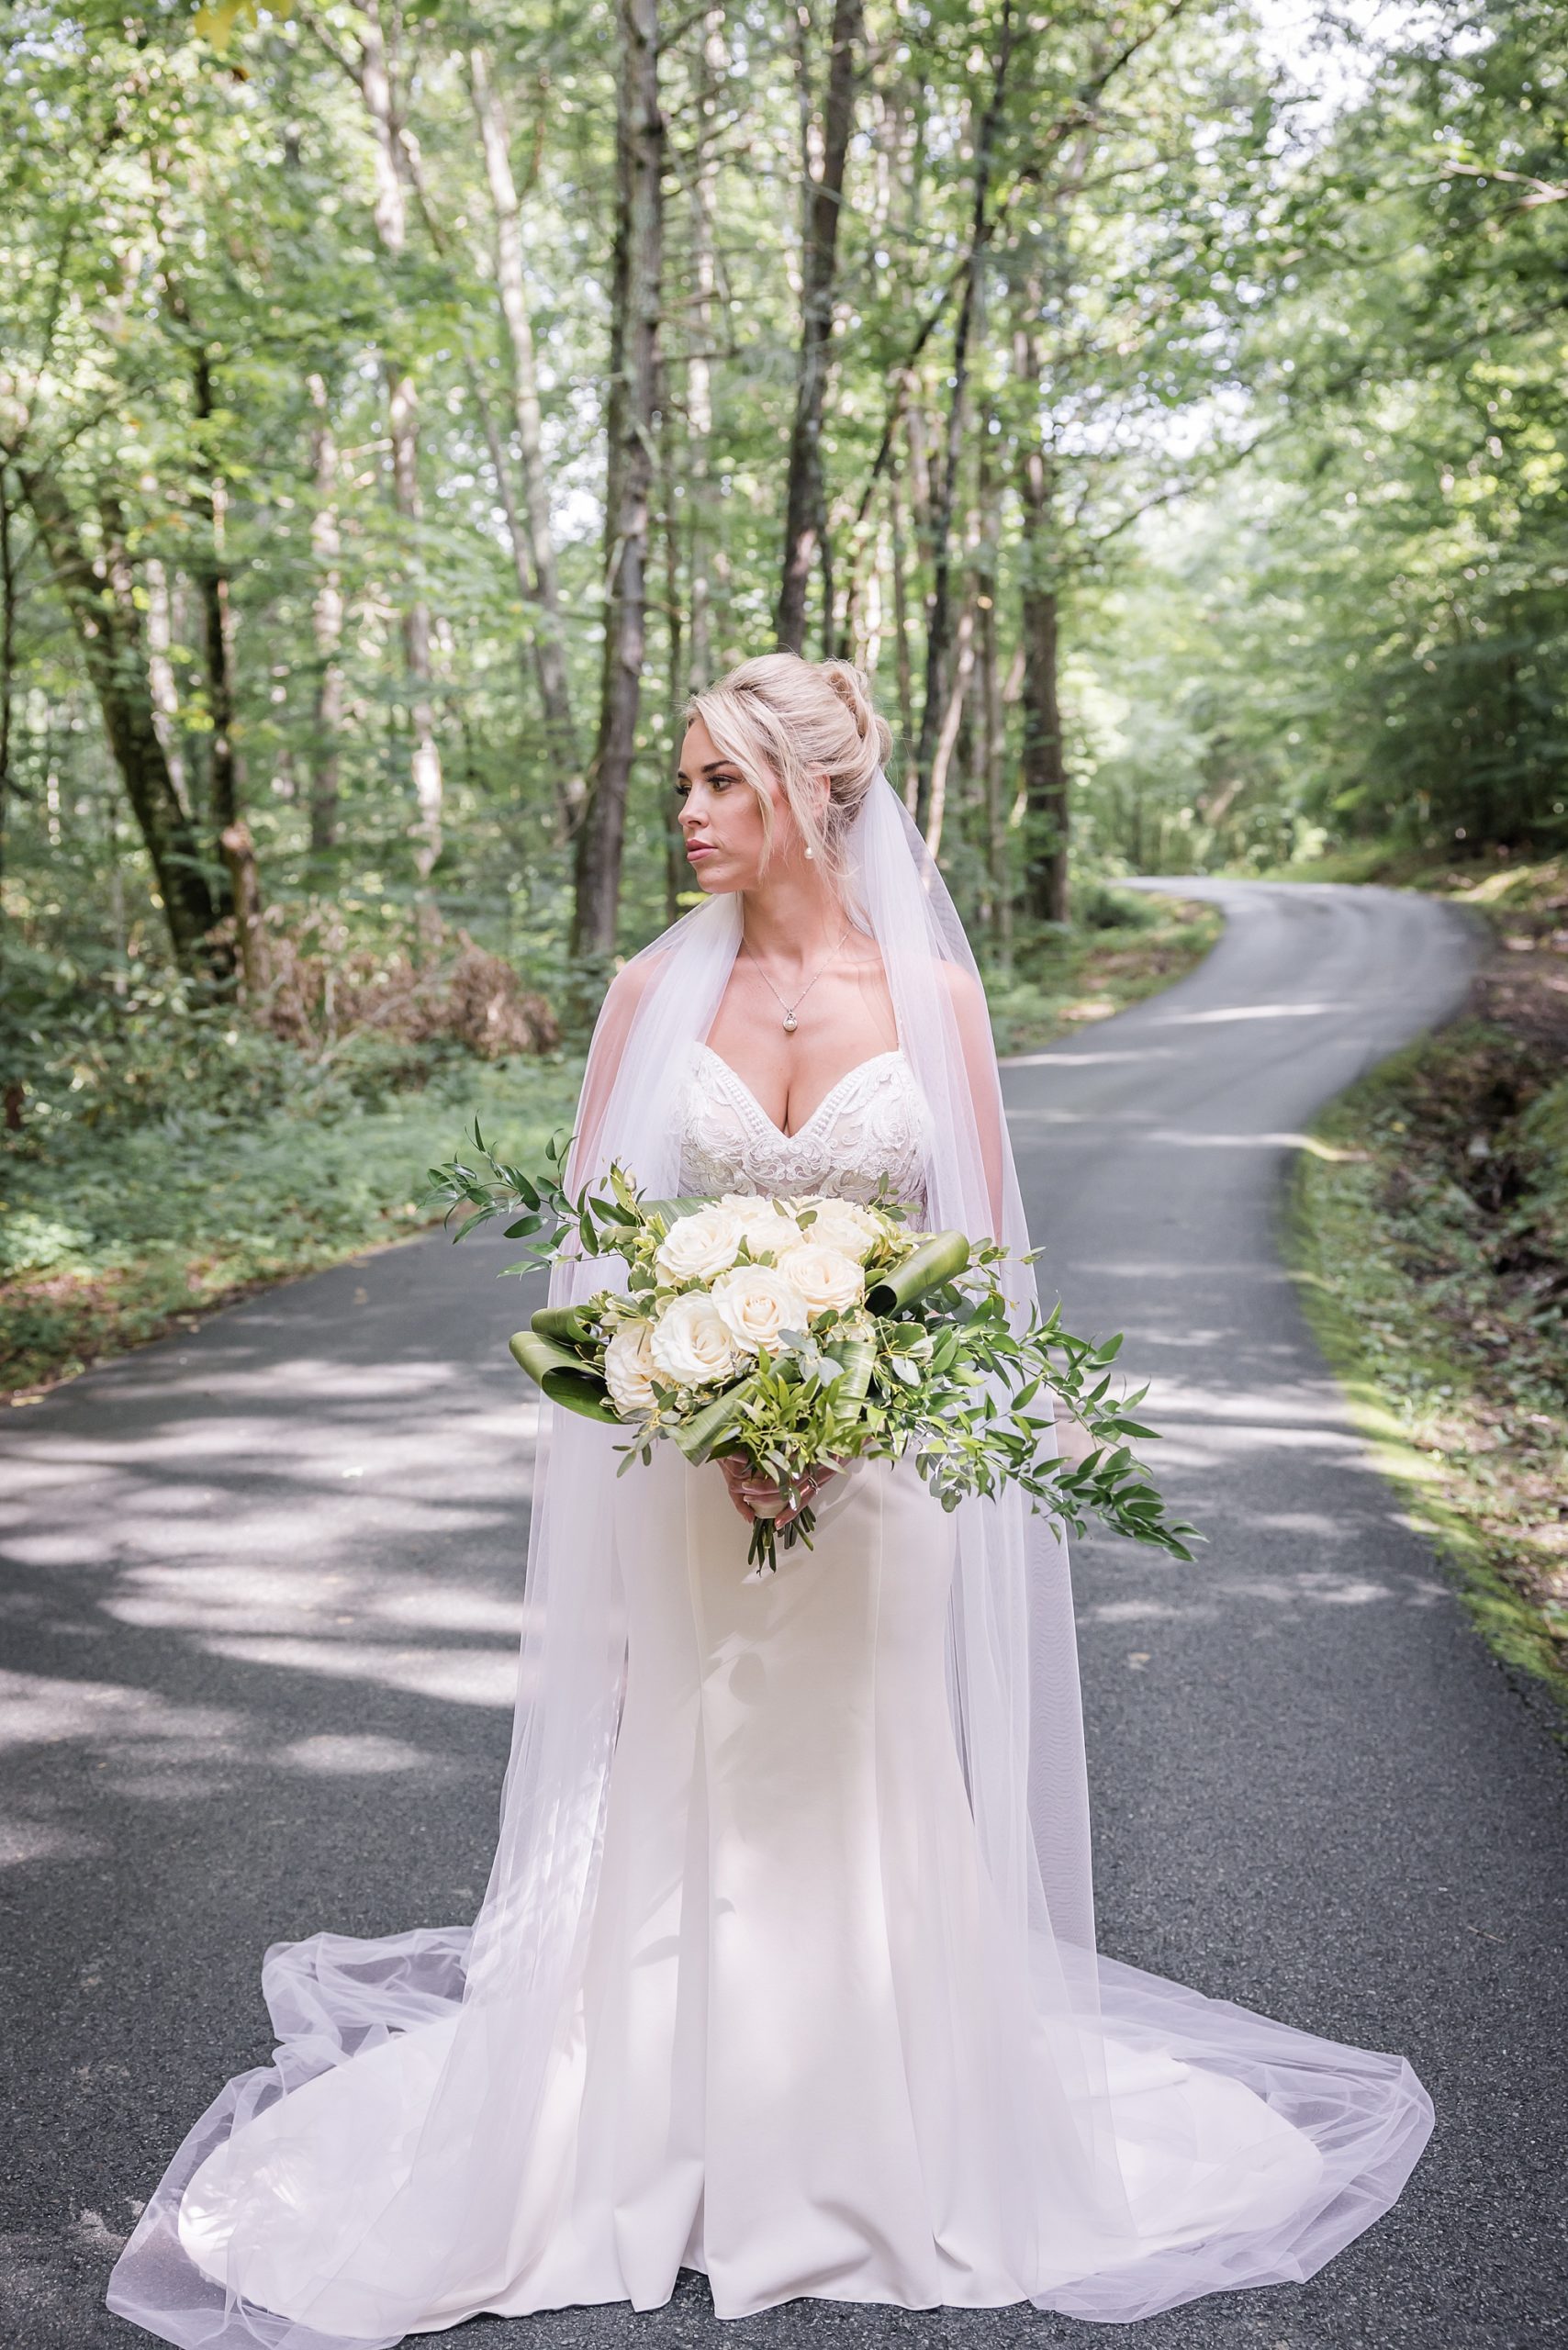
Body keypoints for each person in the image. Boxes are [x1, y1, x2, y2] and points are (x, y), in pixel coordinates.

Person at [107, 654, 1434, 2347]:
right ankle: (644, 2131)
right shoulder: (650, 995)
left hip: (879, 1493)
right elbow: (593, 1262)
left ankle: (876, 2132)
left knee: (864, 1771)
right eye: (685, 783)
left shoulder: (935, 1005)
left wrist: (853, 1409)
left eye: (721, 783)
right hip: (684, 1477)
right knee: (681, 1762)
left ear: (815, 795)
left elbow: (984, 1273)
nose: (688, 813)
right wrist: (695, 1388)